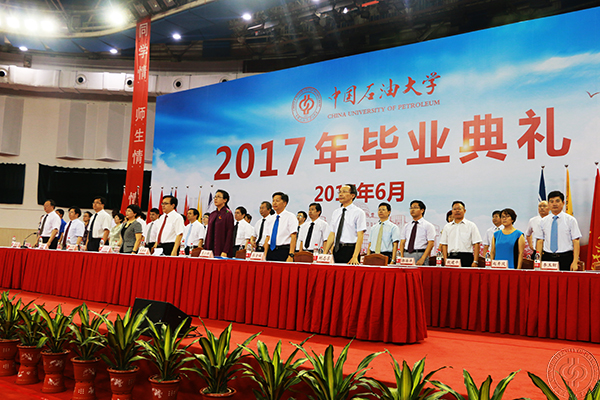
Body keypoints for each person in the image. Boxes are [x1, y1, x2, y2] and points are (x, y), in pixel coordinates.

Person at [535, 190, 582, 271]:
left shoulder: (570, 220)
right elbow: (539, 241)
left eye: (557, 201)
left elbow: (576, 241)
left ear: (563, 203)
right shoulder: (543, 221)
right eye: (551, 201)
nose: (554, 204)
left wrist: (575, 261)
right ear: (548, 204)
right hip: (547, 257)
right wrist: (537, 262)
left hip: (565, 258)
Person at [324, 184, 366, 265]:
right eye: (339, 192)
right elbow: (332, 233)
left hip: (350, 249)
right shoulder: (336, 212)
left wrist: (355, 256)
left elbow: (360, 236)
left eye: (344, 192)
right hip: (337, 249)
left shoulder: (358, 212)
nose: (340, 194)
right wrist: (325, 253)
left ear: (352, 195)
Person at [440, 201, 482, 267]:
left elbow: (476, 244)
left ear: (464, 211)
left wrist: (475, 261)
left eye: (459, 209)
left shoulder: (471, 225)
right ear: (452, 211)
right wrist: (445, 260)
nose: (457, 211)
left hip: (466, 257)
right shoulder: (447, 227)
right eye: (455, 209)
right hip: (451, 257)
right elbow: (444, 244)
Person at [399, 200, 436, 265]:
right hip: (406, 254)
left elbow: (431, 243)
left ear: (422, 210)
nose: (412, 210)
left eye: (415, 208)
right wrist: (401, 257)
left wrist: (422, 259)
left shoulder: (428, 225)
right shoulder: (406, 226)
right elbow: (402, 243)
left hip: (420, 254)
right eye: (411, 208)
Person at [264, 192, 298, 262]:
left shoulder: (290, 217)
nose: (274, 203)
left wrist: (291, 255)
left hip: (283, 251)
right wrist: (265, 255)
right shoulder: (270, 218)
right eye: (273, 201)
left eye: (277, 201)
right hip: (271, 251)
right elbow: (267, 238)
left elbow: (293, 236)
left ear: (285, 203)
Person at [205, 190, 234, 257]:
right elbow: (208, 233)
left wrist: (225, 251)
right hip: (210, 249)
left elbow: (229, 233)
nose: (215, 199)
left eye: (218, 197)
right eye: (215, 197)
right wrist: (206, 248)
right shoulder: (212, 214)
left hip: (222, 249)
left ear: (225, 200)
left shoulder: (228, 213)